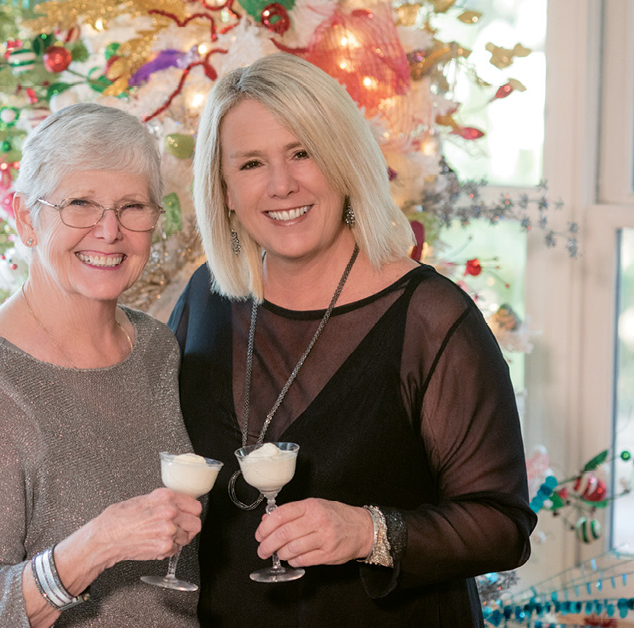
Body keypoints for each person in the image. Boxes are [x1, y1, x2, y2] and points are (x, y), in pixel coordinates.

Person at [168, 53, 536, 627]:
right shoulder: (206, 299)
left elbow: (502, 527)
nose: (281, 184)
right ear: (225, 188)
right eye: (251, 163)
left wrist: (369, 532)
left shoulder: (432, 317)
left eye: (302, 152)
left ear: (342, 161)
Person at [0, 102, 203, 628]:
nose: (109, 231)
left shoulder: (155, 348)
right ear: (27, 218)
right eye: (80, 203)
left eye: (132, 207)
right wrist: (97, 545)